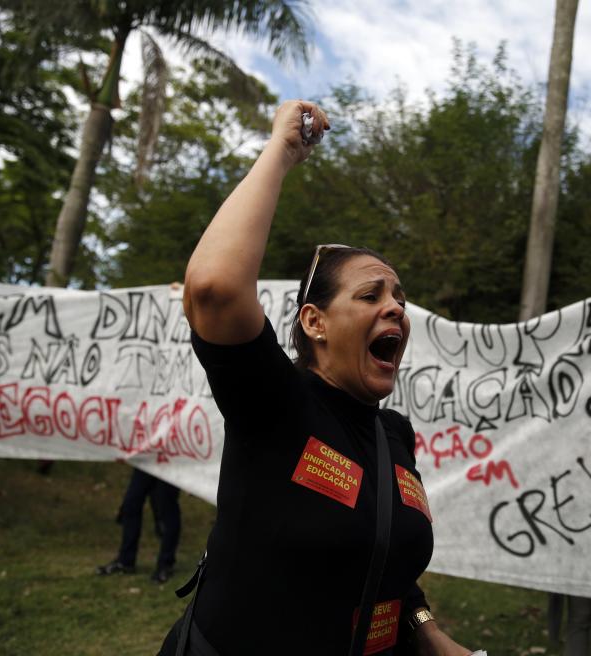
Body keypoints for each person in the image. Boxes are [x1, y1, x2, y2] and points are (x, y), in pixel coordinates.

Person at [160, 101, 474, 655]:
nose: (397, 308)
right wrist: (281, 151)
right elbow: (213, 288)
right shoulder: (273, 403)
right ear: (315, 322)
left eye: (400, 298)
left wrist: (425, 629)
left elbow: (385, 553)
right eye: (372, 294)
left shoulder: (394, 435)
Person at [97, 467, 182, 584]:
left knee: (166, 508)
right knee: (131, 504)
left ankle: (166, 564)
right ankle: (126, 560)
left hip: (169, 461)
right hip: (147, 459)